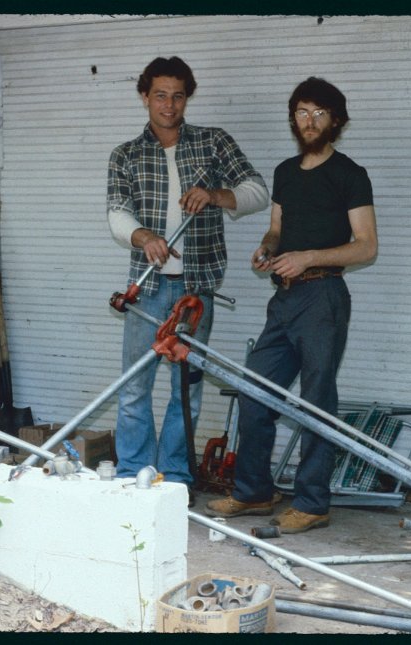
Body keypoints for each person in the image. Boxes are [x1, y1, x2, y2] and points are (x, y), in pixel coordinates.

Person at [206, 77, 378, 532]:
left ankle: (313, 503)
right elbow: (277, 229)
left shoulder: (350, 174)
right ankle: (254, 493)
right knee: (254, 391)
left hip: (323, 296)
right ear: (293, 118)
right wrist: (267, 247)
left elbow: (365, 248)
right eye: (302, 112)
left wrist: (308, 258)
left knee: (316, 401)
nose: (310, 121)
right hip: (283, 300)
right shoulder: (284, 172)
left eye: (319, 113)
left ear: (336, 120)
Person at [107, 56, 269, 505]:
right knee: (134, 387)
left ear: (187, 97)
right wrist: (142, 236)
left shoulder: (213, 143)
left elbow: (258, 191)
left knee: (186, 390)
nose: (169, 104)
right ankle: (132, 477)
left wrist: (217, 195)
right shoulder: (126, 154)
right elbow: (117, 214)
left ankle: (174, 477)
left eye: (178, 95)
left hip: (197, 289)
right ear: (145, 96)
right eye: (160, 94)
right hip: (148, 289)